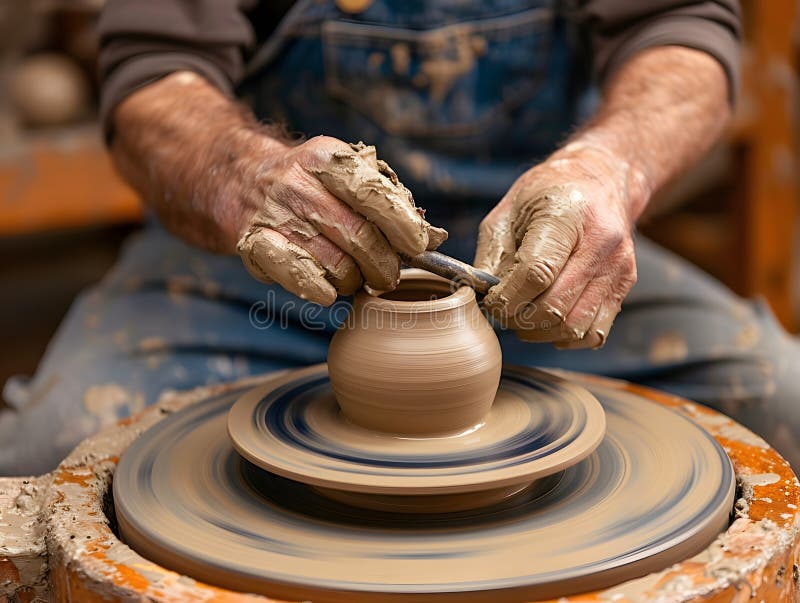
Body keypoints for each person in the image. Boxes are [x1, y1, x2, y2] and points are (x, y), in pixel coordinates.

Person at [2, 0, 797, 476]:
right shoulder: (255, 207)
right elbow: (150, 76)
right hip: (263, 259)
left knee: (783, 405)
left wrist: (609, 167)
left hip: (537, 255)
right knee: (54, 452)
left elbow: (685, 39)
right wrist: (238, 173)